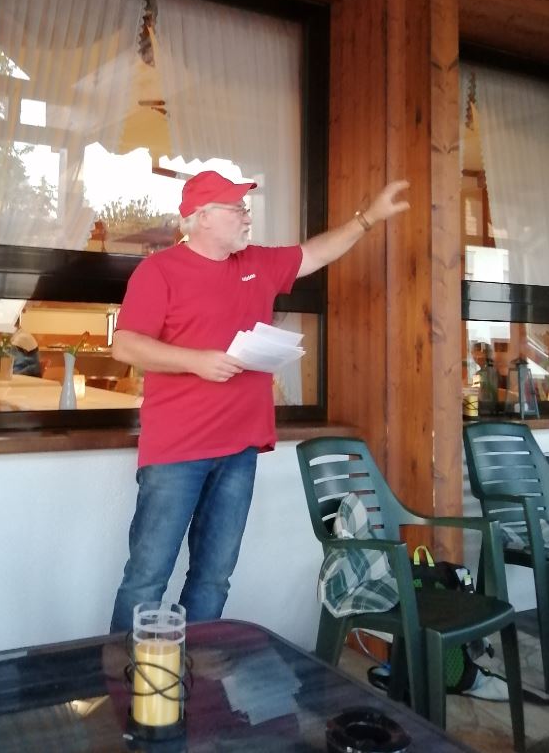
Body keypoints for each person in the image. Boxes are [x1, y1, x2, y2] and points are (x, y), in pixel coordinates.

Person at [109, 170, 410, 633]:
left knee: (213, 579)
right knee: (147, 579)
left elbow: (315, 253)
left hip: (239, 450)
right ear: (202, 217)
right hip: (176, 453)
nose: (247, 217)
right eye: (237, 209)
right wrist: (196, 361)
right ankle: (123, 676)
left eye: (245, 208)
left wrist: (368, 218)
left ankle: (192, 673)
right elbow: (126, 345)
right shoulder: (159, 271)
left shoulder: (256, 264)